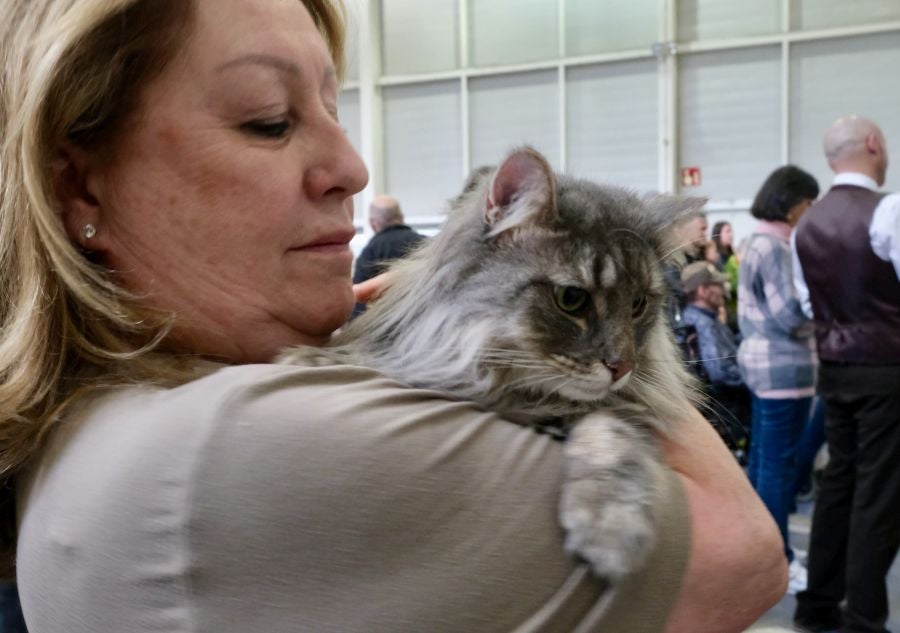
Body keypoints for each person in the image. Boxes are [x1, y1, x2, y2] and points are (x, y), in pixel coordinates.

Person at [0, 1, 786, 632]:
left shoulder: (106, 410)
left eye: (333, 106)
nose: (351, 164)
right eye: (268, 119)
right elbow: (743, 553)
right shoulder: (232, 440)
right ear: (80, 186)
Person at [792, 116, 900, 633]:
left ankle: (817, 603)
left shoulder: (804, 227)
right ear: (874, 145)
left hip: (833, 369)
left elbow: (808, 302)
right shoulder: (890, 210)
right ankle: (863, 618)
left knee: (838, 484)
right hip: (887, 371)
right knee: (879, 494)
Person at [736, 165, 820, 596]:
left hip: (767, 365)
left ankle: (759, 553)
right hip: (781, 367)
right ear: (791, 205)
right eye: (809, 204)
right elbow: (789, 314)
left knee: (766, 464)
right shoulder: (774, 247)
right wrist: (826, 311)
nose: (811, 213)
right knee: (777, 469)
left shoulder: (759, 241)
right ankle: (778, 560)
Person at [680, 262, 750, 451]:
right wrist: (755, 379)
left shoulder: (702, 318)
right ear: (703, 290)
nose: (723, 289)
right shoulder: (704, 324)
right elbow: (720, 371)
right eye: (717, 285)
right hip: (730, 415)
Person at [351, 195, 425, 317]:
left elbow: (357, 303)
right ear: (401, 217)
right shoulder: (426, 245)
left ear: (372, 223)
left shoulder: (370, 252)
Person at [663, 209, 708, 329]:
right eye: (702, 229)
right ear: (686, 228)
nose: (705, 234)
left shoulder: (693, 257)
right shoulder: (672, 263)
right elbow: (679, 296)